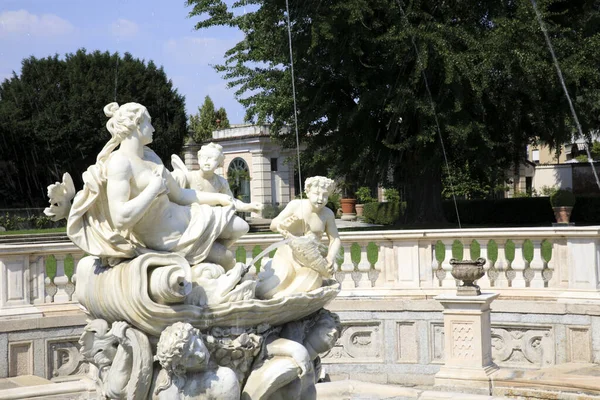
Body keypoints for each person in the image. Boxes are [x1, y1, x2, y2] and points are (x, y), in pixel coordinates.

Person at [67, 102, 248, 269]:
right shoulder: (120, 163)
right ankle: (201, 259)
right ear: (137, 125)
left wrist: (219, 198)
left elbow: (180, 195)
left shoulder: (150, 156)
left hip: (185, 216)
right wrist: (153, 189)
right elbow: (120, 218)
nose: (153, 128)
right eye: (149, 123)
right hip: (167, 236)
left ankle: (203, 255)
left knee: (241, 227)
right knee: (226, 259)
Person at [256, 176, 341, 298]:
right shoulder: (296, 205)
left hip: (311, 259)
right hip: (288, 255)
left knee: (311, 279)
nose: (321, 199)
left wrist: (331, 257)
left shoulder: (327, 214)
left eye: (325, 195)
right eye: (316, 194)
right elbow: (273, 225)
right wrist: (284, 224)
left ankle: (294, 306)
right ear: (307, 192)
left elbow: (335, 238)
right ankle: (279, 302)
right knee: (277, 283)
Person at [152, 322, 240, 400]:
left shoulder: (224, 379)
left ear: (198, 335)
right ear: (180, 368)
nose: (200, 355)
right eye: (190, 358)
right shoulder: (167, 388)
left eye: (196, 345)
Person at [171, 142, 262, 215]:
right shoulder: (188, 177)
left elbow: (231, 199)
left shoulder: (221, 182)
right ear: (199, 159)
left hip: (212, 217)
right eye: (204, 158)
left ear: (219, 164)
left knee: (240, 226)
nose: (207, 162)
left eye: (212, 159)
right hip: (190, 216)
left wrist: (248, 206)